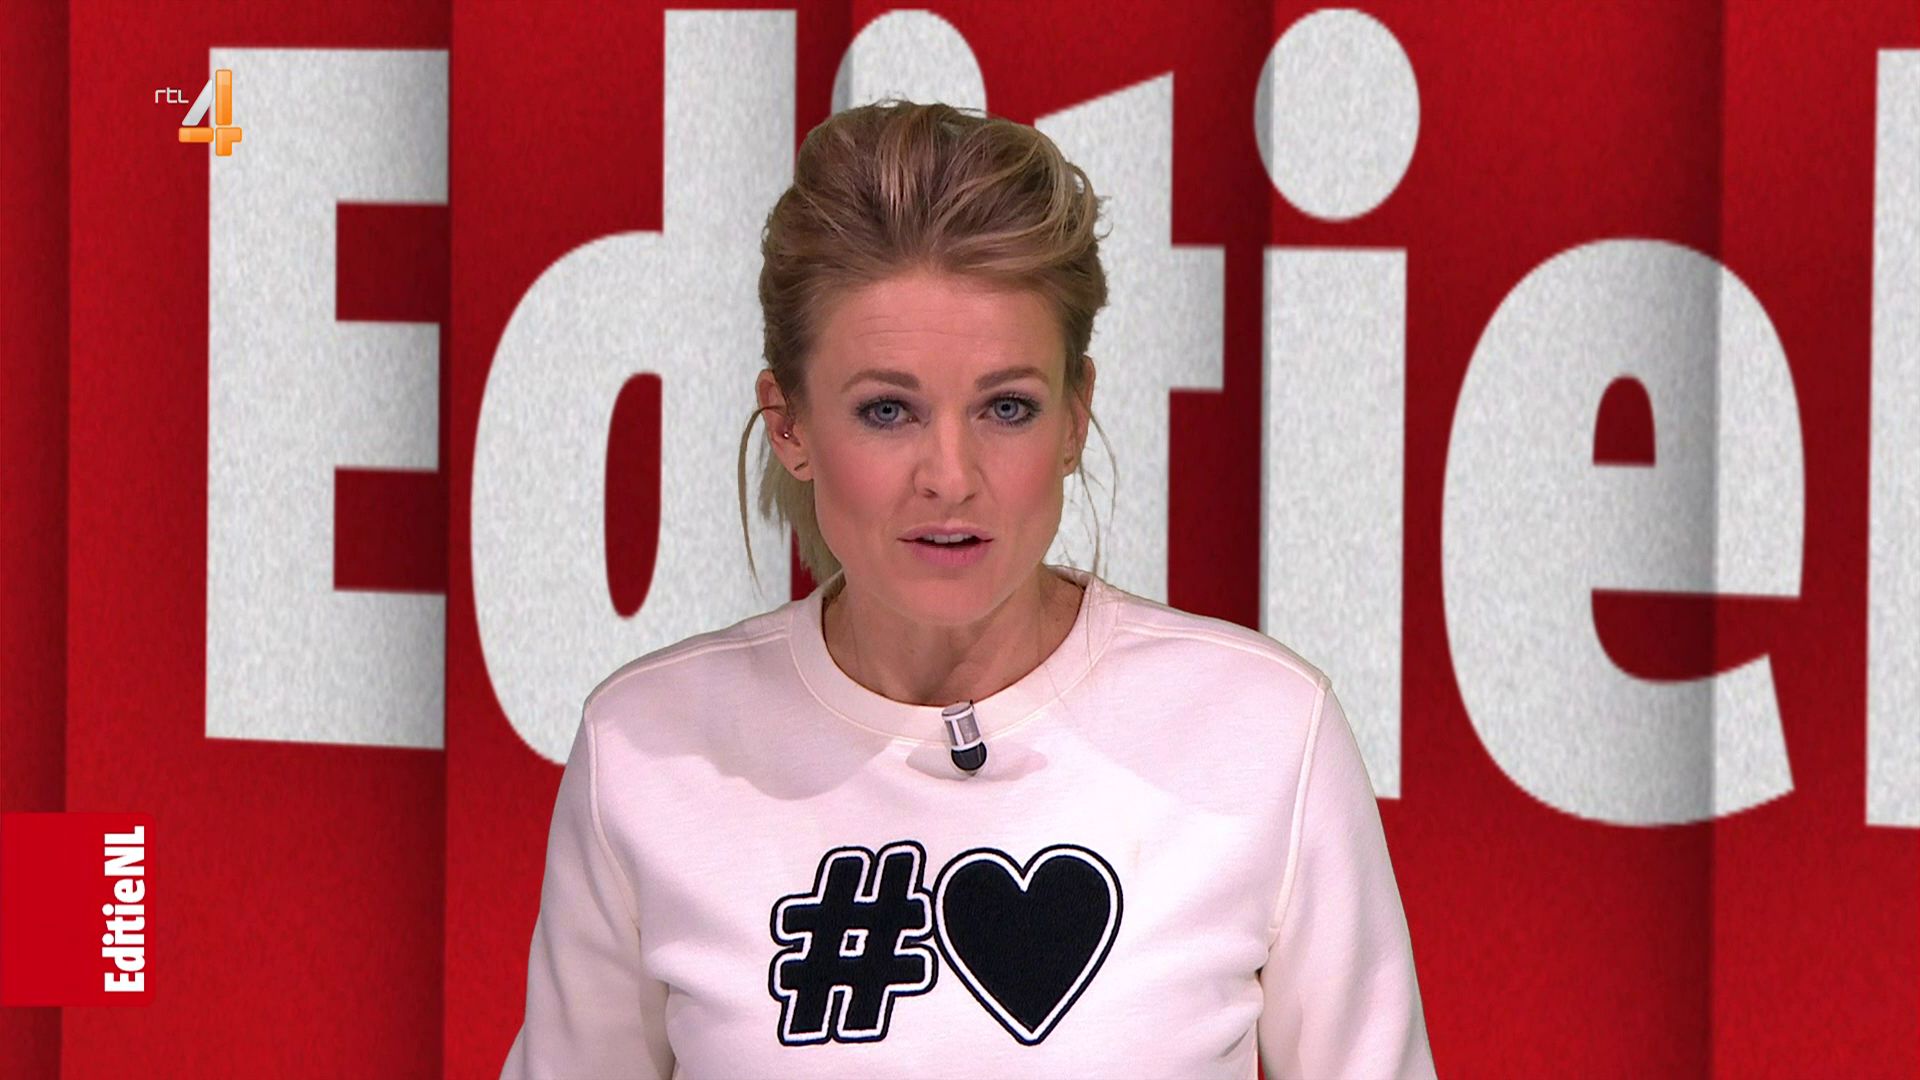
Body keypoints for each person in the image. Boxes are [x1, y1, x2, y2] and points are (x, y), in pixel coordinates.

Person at [501, 99, 1435, 1079]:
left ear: (1074, 417)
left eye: (1007, 407)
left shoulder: (1265, 733)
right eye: (888, 410)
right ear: (789, 425)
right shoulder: (647, 752)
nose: (950, 476)